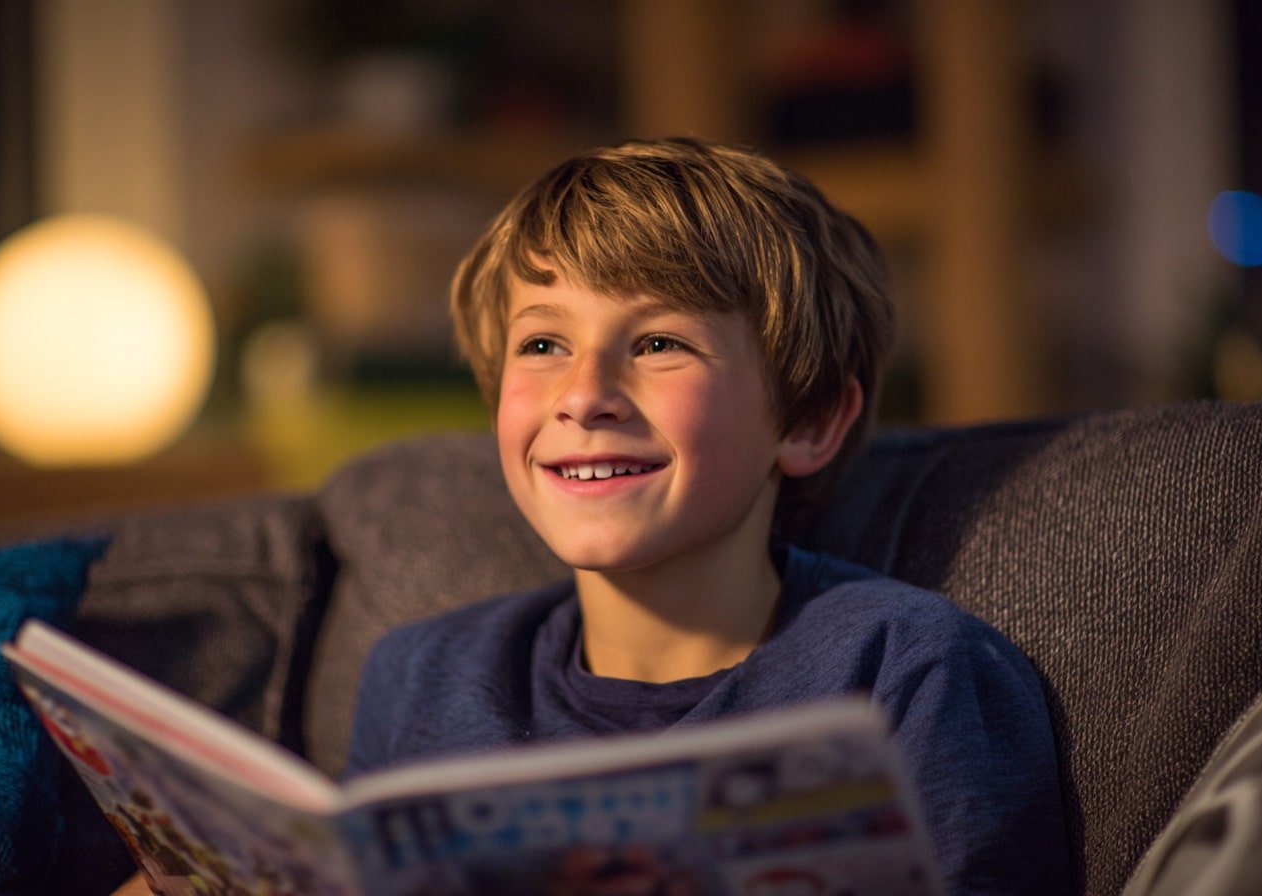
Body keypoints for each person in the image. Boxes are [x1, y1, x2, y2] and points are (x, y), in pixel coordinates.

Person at [344, 137, 1073, 893]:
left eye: (659, 343)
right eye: (543, 343)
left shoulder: (902, 670)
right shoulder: (418, 676)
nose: (583, 395)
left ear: (810, 421)